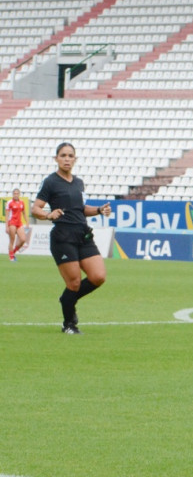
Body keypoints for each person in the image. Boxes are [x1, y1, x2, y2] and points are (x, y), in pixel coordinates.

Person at [30, 143, 112, 334]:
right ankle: (69, 324)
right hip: (63, 236)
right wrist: (48, 215)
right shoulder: (50, 182)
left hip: (83, 234)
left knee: (98, 276)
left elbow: (81, 209)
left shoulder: (78, 183)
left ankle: (67, 299)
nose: (67, 159)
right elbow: (35, 208)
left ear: (75, 159)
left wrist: (99, 210)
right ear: (56, 158)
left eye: (70, 156)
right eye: (63, 155)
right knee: (74, 283)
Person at [6, 188, 29, 261]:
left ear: (19, 194)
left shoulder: (22, 202)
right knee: (12, 240)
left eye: (17, 194)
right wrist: (6, 226)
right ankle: (11, 257)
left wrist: (27, 222)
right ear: (13, 194)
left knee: (23, 239)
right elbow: (7, 215)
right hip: (12, 223)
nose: (16, 195)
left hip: (19, 223)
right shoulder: (9, 202)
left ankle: (13, 252)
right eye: (14, 194)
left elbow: (24, 213)